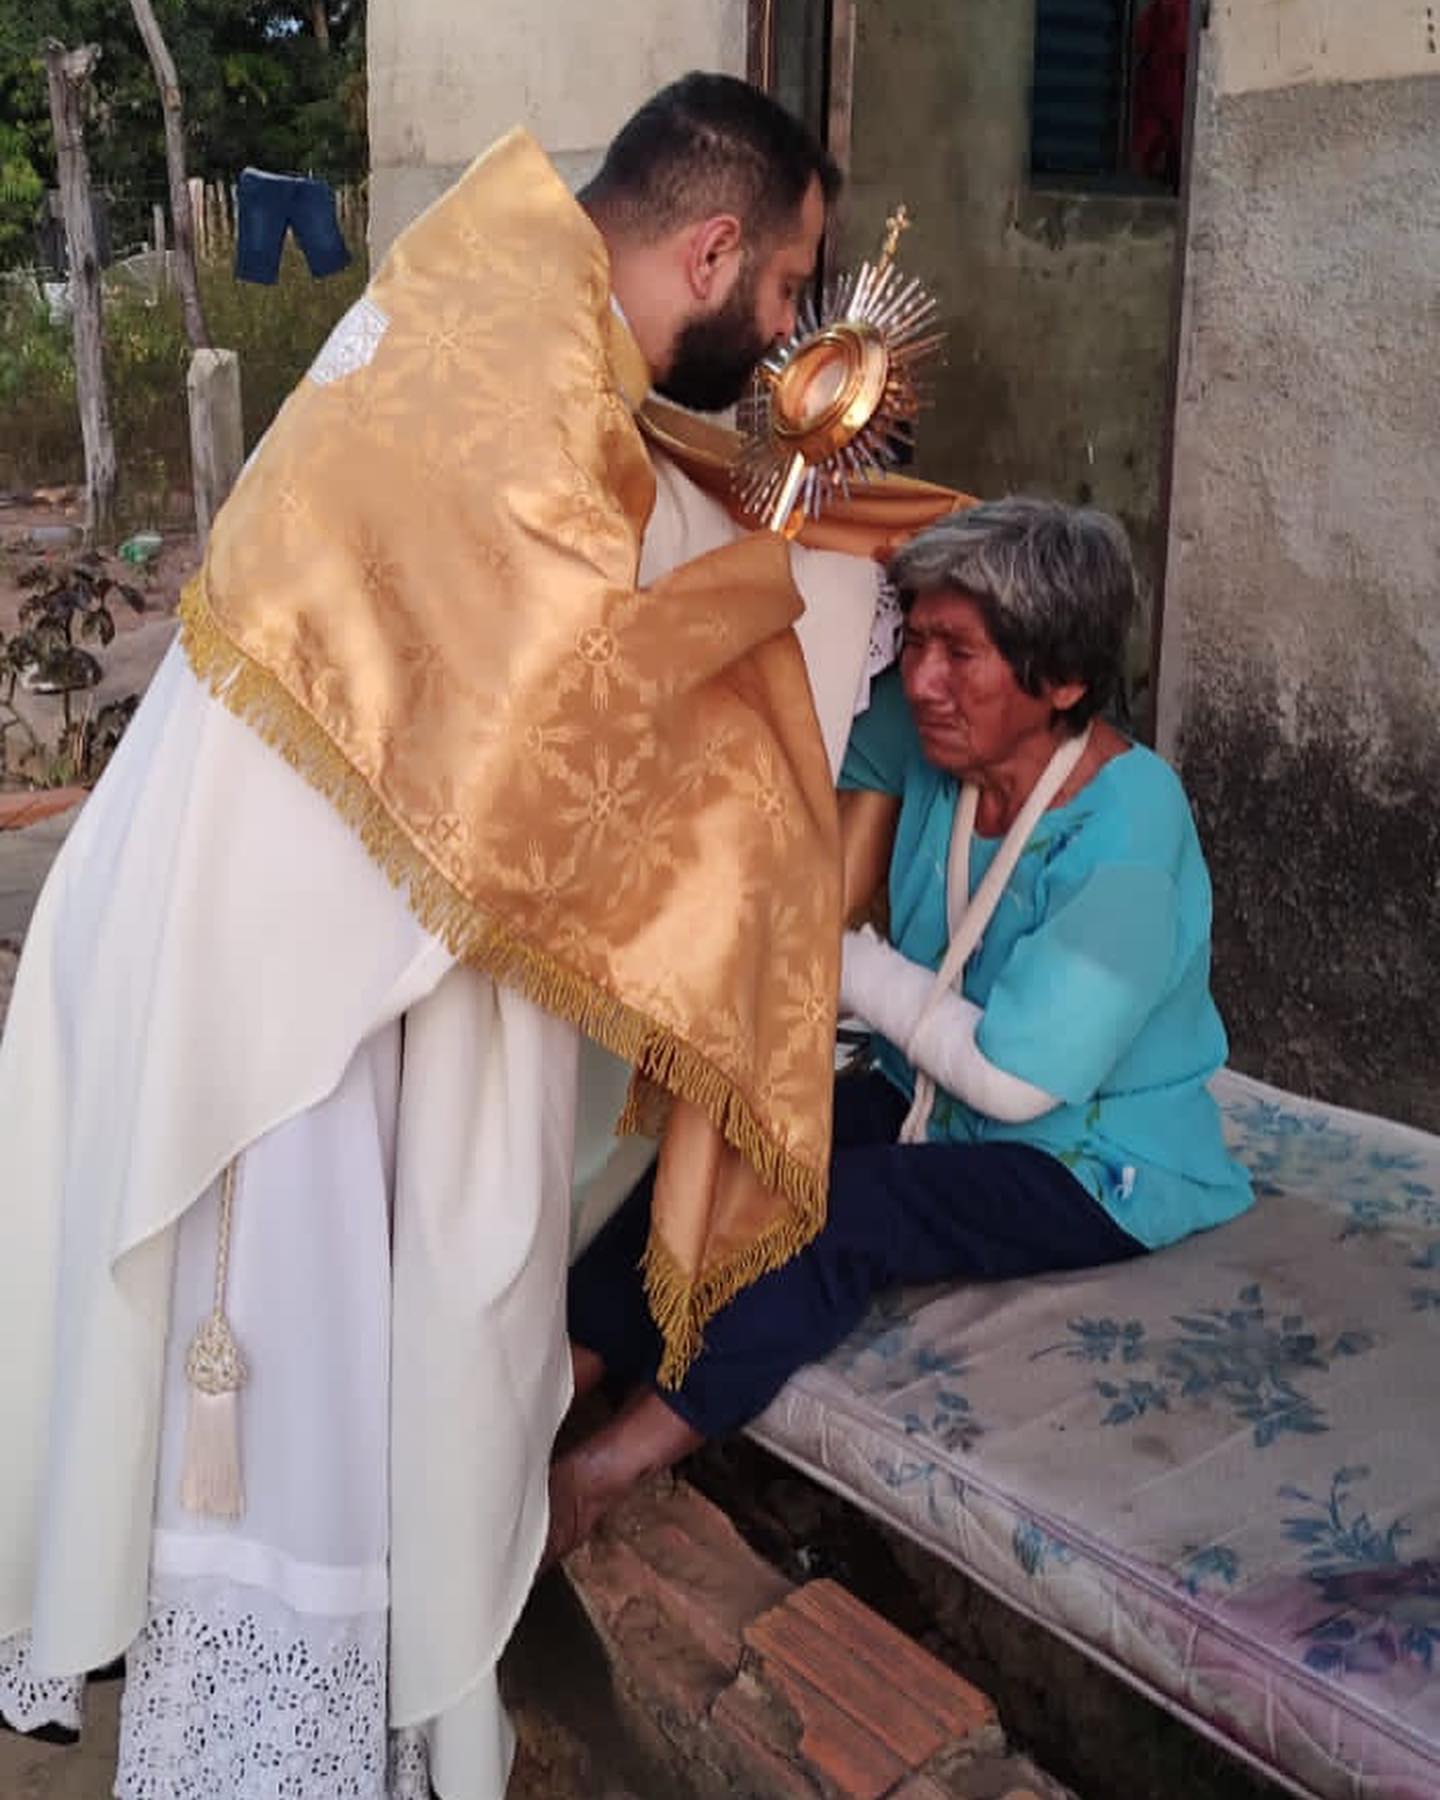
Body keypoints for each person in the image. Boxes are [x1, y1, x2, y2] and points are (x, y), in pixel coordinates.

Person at [0, 74, 845, 1799]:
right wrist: (775, 600)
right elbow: (563, 715)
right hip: (294, 994)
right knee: (284, 1383)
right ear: (709, 248)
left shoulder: (496, 284)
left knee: (261, 1370)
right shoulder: (527, 377)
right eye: (782, 288)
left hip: (251, 912)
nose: (785, 335)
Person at [553, 498, 1255, 1556]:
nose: (921, 679)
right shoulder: (935, 745)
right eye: (916, 642)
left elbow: (1018, 1084)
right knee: (729, 1138)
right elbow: (788, 680)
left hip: (1090, 1159)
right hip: (938, 1101)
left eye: (959, 654)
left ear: (1063, 680)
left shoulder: (1129, 826)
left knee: (841, 1210)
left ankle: (601, 1474)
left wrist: (849, 967)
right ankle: (552, 1384)